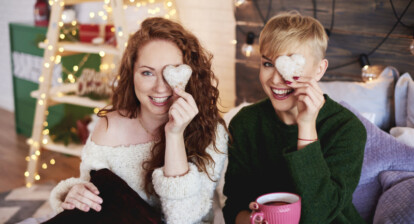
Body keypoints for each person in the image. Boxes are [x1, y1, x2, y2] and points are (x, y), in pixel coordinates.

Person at [49, 17, 229, 224]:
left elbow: (184, 218)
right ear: (131, 75)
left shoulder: (212, 133)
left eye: (170, 73)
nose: (160, 88)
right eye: (147, 73)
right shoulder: (109, 127)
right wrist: (75, 192)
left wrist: (174, 134)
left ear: (191, 75)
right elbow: (90, 194)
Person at [222, 11, 367, 224]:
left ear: (319, 69)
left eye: (292, 66)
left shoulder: (346, 128)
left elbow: (319, 215)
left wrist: (306, 125)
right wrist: (253, 221)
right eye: (268, 64)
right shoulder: (245, 123)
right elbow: (234, 206)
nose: (276, 79)